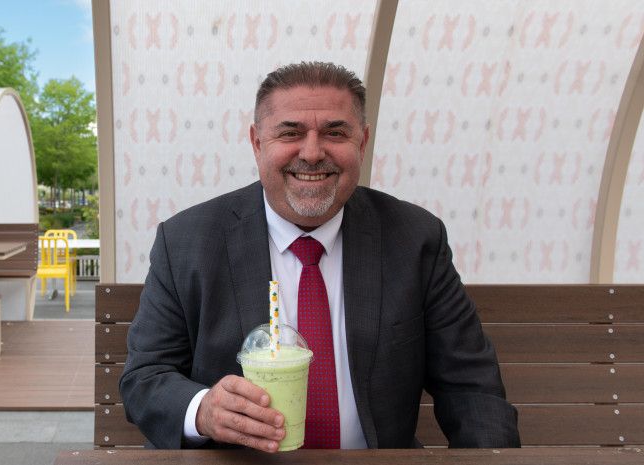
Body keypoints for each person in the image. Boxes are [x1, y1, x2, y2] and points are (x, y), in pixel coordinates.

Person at [119, 61, 520, 452]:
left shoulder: (415, 240)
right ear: (258, 143)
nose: (311, 153)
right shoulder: (187, 241)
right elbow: (145, 377)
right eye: (290, 133)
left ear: (361, 143)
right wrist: (203, 411)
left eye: (334, 133)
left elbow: (472, 387)